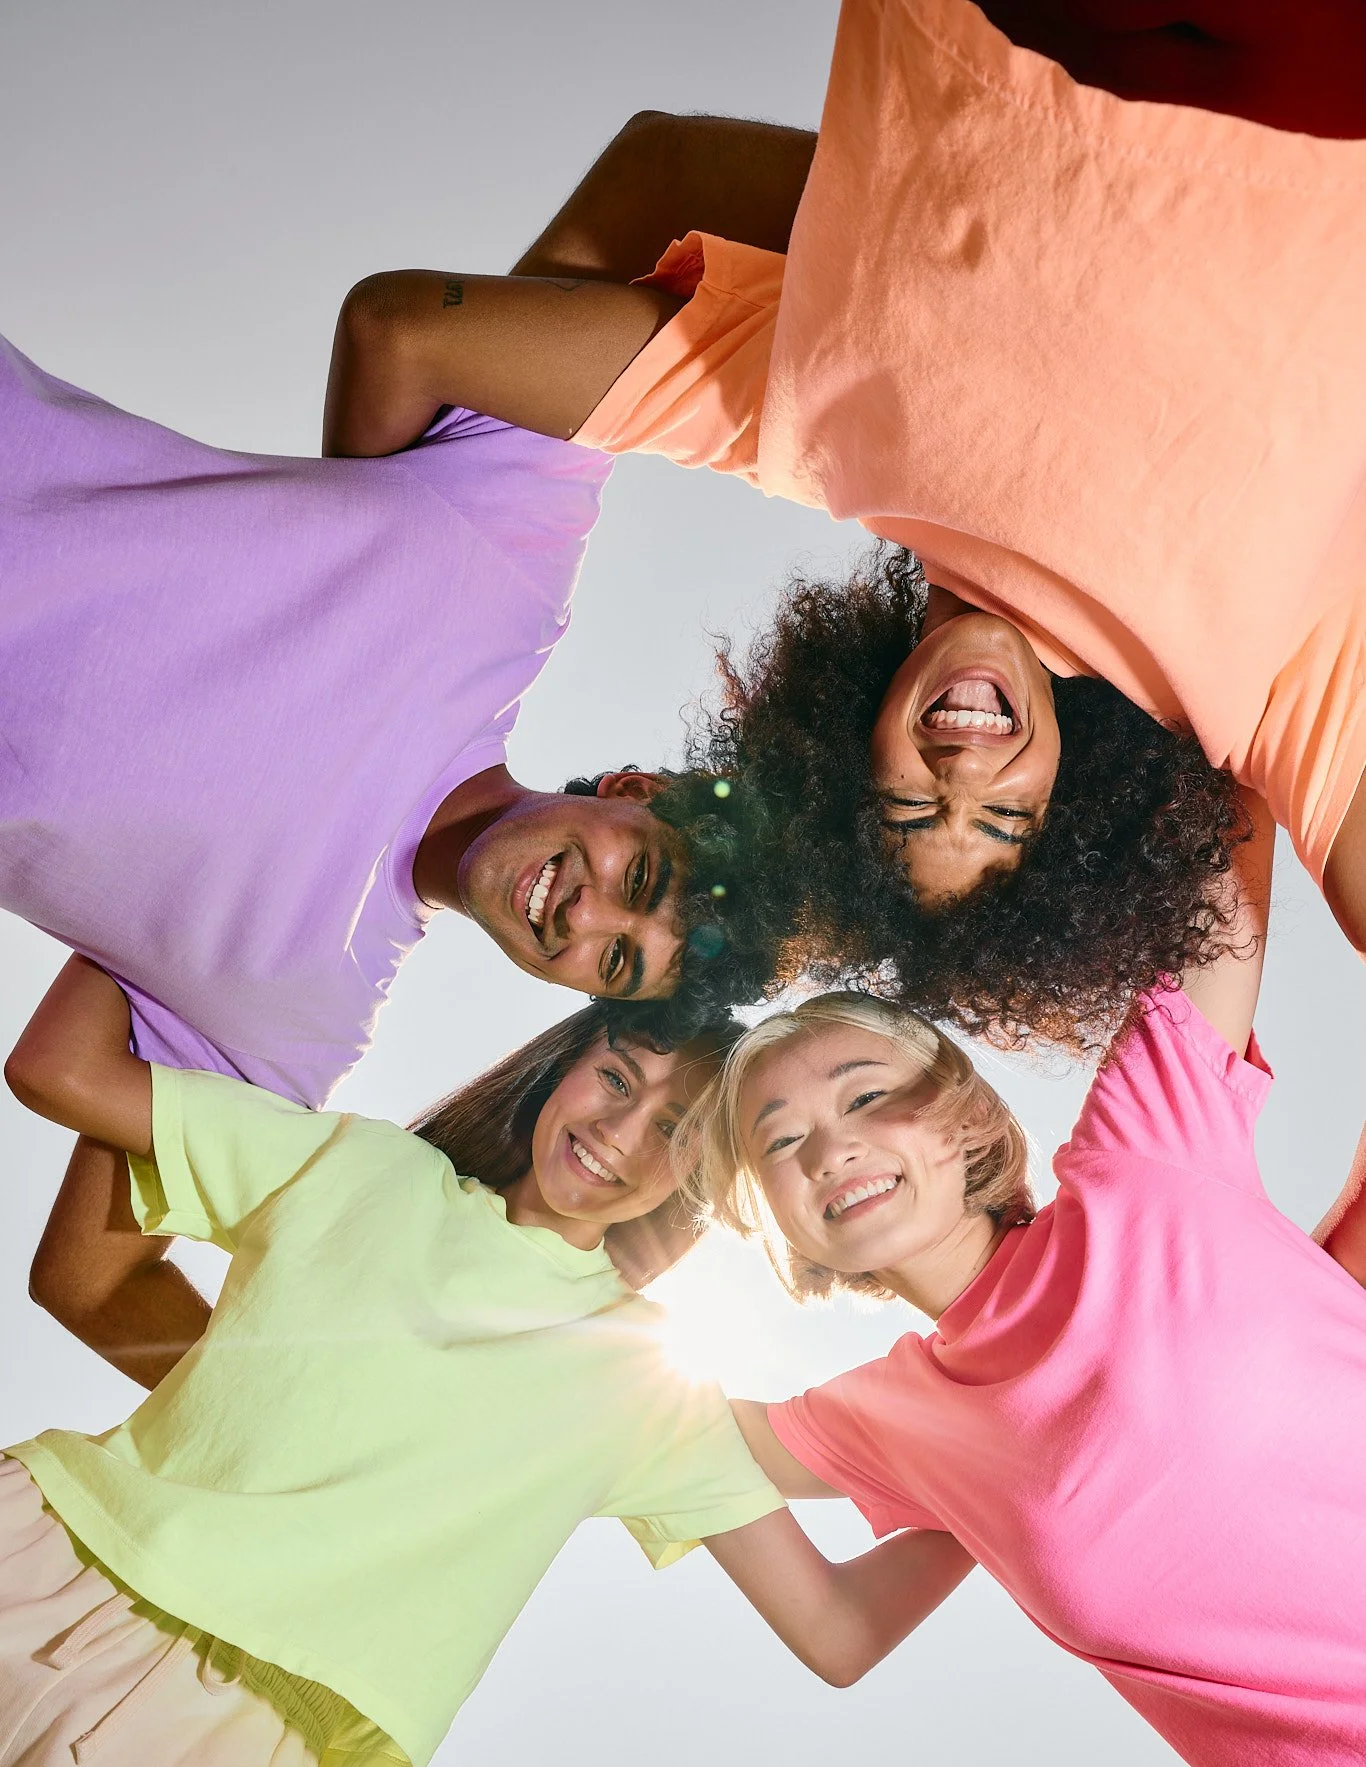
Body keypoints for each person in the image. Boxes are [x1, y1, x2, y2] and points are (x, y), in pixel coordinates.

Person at [339, 3, 1366, 1050]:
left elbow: (413, 328)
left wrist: (369, 696)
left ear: (840, 761)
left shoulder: (806, 425)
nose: (961, 777)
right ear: (1077, 797)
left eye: (910, 810)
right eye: (1003, 818)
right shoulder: (1252, 690)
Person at [0, 956, 971, 1767]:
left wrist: (1003, 1473)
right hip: (37, 1561)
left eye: (678, 1129)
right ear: (563, 1065)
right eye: (618, 1077)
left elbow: (837, 1628)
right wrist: (148, 887)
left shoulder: (638, 1379)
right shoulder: (359, 1166)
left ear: (700, 1180)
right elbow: (58, 1071)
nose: (623, 1129)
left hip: (216, 1756)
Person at [2, 230, 789, 1374]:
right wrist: (369, 500)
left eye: (617, 962)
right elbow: (416, 320)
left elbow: (86, 1278)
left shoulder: (295, 1013)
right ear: (638, 790)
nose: (585, 917)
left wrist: (347, 1430)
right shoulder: (506, 572)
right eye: (643, 878)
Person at [679, 802, 1366, 1767]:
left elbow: (1227, 834)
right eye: (779, 1144)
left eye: (863, 1092)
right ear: (774, 1225)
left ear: (958, 1112)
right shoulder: (893, 1417)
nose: (828, 1146)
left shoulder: (1140, 1156)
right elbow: (624, 1431)